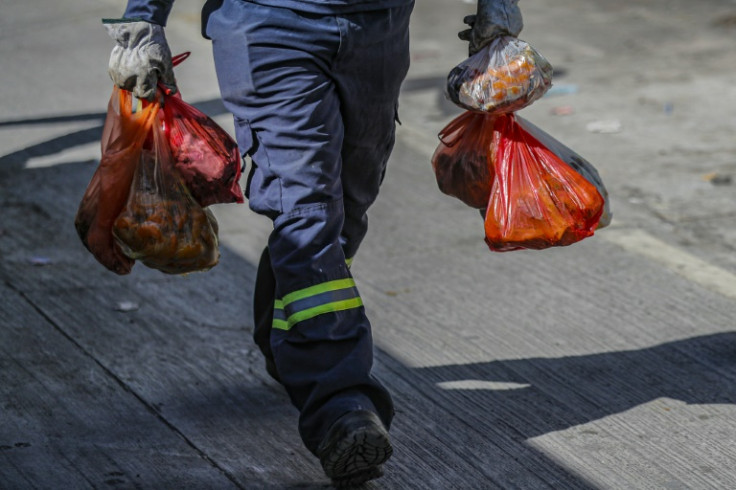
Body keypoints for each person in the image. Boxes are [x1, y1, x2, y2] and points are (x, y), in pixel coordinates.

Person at [103, 0, 522, 486]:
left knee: (345, 208)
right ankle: (340, 406)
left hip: (378, 28)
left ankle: (287, 340)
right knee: (307, 211)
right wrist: (144, 17)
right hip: (268, 24)